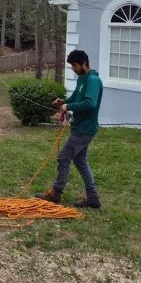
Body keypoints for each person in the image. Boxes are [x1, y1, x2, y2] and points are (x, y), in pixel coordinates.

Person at [36, 50, 103, 208]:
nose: (73, 69)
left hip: (84, 130)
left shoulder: (93, 80)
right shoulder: (82, 79)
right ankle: (93, 198)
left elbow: (90, 103)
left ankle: (56, 193)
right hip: (80, 128)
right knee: (80, 161)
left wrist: (69, 106)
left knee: (63, 157)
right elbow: (75, 98)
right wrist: (63, 102)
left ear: (84, 64)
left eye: (75, 65)